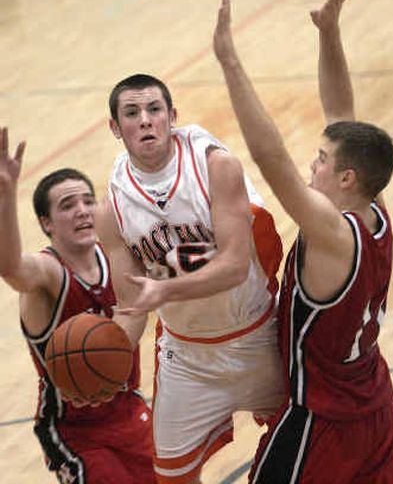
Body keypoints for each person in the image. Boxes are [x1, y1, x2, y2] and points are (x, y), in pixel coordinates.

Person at [213, 0, 393, 483]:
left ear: (346, 178)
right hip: (377, 407)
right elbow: (341, 113)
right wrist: (329, 32)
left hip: (322, 421)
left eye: (320, 161)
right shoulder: (374, 213)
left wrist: (230, 62)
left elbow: (269, 157)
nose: (310, 166)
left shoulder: (332, 234)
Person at [95, 73, 285, 484]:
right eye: (131, 113)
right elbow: (132, 309)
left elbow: (234, 266)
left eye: (154, 109)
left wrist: (164, 289)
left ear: (172, 116)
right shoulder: (110, 209)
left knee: (304, 457)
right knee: (172, 478)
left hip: (260, 338)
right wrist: (103, 364)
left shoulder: (215, 165)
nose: (145, 120)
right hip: (188, 358)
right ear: (115, 127)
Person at [0, 127, 156, 484]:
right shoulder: (48, 274)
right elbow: (9, 266)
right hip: (76, 432)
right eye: (68, 205)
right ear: (46, 224)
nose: (83, 211)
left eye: (88, 201)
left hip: (128, 410)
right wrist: (6, 195)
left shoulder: (118, 258)